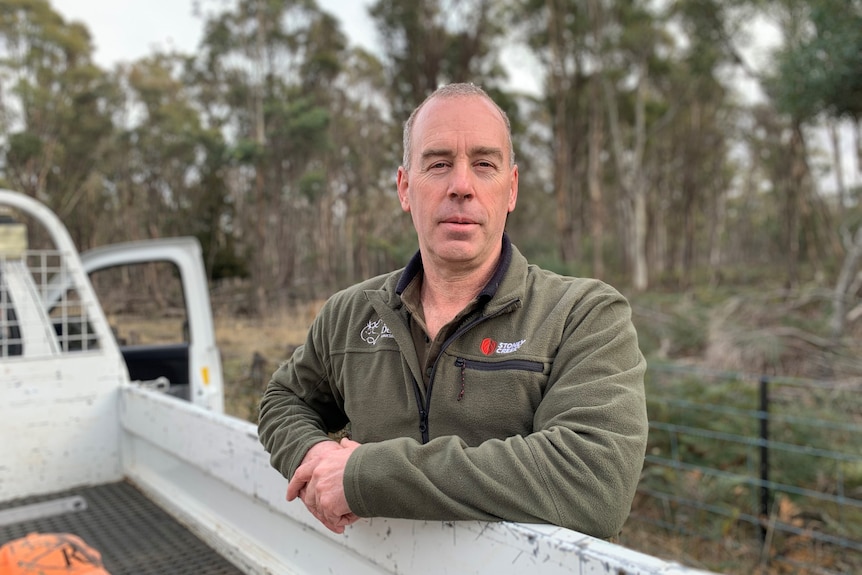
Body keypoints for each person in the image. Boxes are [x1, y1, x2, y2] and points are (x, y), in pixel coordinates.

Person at [258, 82, 648, 540]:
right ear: (405, 188)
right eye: (439, 164)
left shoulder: (583, 315)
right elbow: (283, 401)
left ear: (511, 189)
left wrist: (363, 477)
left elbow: (594, 483)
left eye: (484, 165)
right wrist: (311, 458)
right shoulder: (351, 313)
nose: (461, 186)